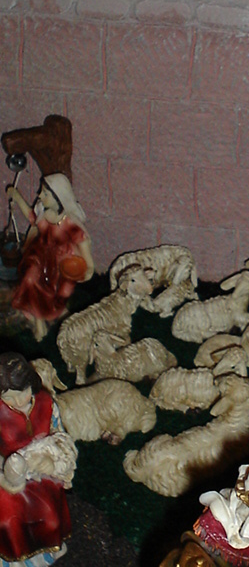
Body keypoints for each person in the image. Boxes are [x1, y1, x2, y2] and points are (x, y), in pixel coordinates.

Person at [0, 352, 75, 566]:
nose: (17, 401)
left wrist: (57, 461)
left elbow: (59, 433)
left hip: (43, 472)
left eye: (22, 393)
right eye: (8, 397)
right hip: (11, 479)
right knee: (11, 520)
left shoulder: (47, 403)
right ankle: (17, 559)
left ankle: (47, 551)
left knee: (49, 516)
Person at [7, 173, 94, 341]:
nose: (39, 195)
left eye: (45, 193)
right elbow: (32, 217)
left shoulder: (70, 225)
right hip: (40, 258)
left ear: (58, 198)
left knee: (56, 298)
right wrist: (16, 196)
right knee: (31, 279)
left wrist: (87, 270)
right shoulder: (44, 214)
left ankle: (62, 319)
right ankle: (39, 324)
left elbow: (85, 253)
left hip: (61, 266)